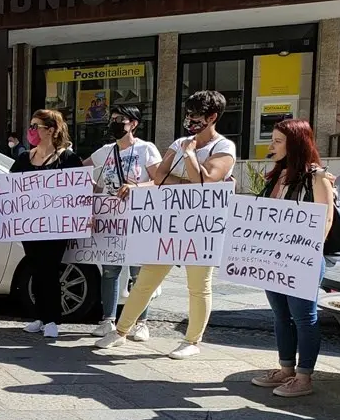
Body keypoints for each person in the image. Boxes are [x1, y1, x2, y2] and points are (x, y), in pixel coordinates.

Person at [98, 90, 237, 359]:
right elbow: (160, 177)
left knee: (199, 285)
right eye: (188, 114)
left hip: (201, 227)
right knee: (146, 278)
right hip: (169, 223)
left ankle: (192, 340)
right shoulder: (181, 142)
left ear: (212, 117)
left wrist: (189, 156)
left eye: (196, 115)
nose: (190, 120)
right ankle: (121, 330)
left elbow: (206, 182)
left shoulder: (223, 147)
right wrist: (190, 171)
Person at [251, 119, 335, 397]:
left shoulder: (317, 177)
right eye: (272, 140)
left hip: (302, 259)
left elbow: (326, 220)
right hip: (274, 257)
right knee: (280, 315)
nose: (271, 146)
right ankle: (286, 369)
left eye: (277, 141)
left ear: (296, 143)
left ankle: (304, 377)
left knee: (303, 317)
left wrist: (304, 254)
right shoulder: (276, 175)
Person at [82, 104, 162, 341]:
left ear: (134, 124)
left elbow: (160, 180)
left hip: (139, 219)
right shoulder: (105, 151)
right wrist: (88, 195)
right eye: (113, 119)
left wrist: (137, 187)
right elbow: (80, 171)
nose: (115, 123)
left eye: (121, 119)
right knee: (110, 271)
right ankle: (108, 320)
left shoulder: (146, 149)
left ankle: (141, 322)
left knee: (140, 273)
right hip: (111, 220)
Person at [12, 109, 84, 339]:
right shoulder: (25, 158)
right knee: (35, 268)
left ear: (51, 130)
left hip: (55, 227)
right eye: (31, 126)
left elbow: (78, 191)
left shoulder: (68, 159)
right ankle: (40, 317)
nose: (31, 131)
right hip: (29, 226)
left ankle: (53, 319)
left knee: (50, 270)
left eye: (36, 126)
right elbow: (11, 189)